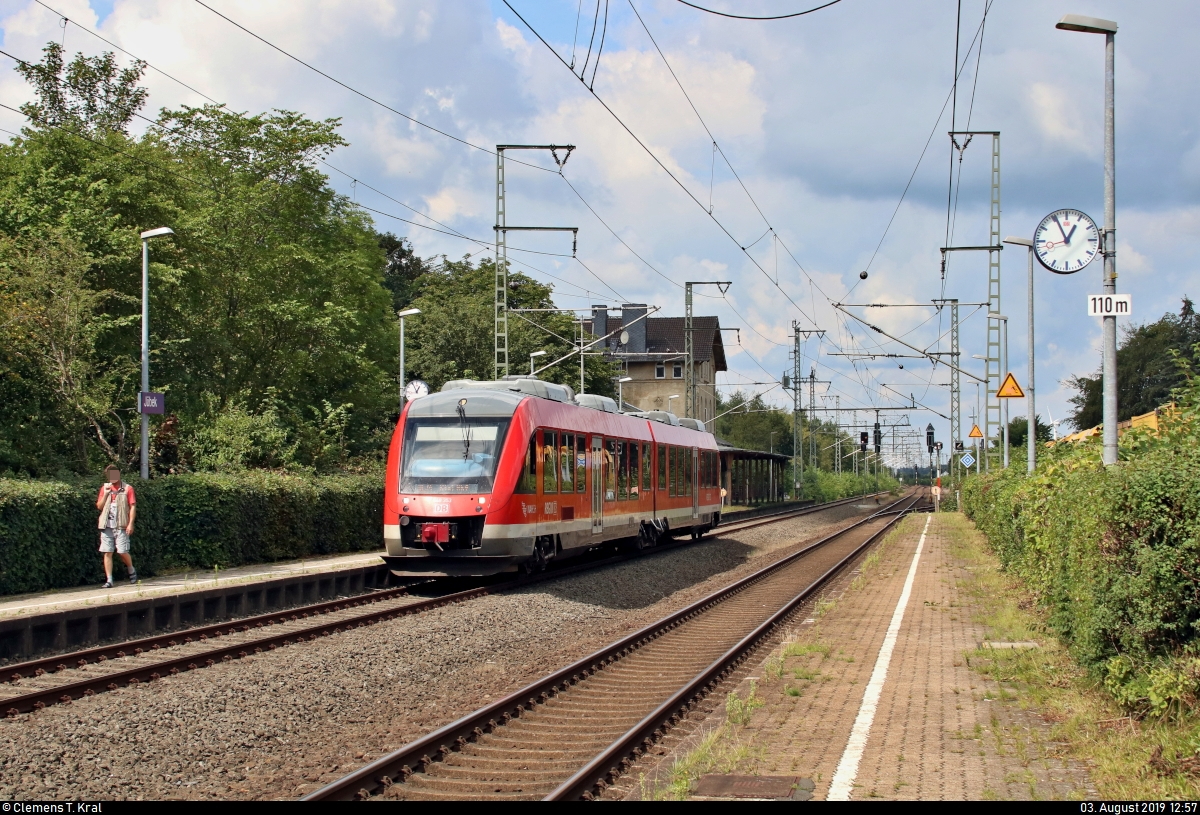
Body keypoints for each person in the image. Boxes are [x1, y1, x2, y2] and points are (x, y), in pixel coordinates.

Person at [96, 464, 138, 588]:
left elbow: (133, 506)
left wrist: (130, 523)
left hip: (121, 525)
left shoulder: (127, 489)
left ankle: (131, 569)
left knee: (122, 551)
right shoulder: (104, 488)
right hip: (107, 525)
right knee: (107, 552)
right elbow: (99, 506)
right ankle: (109, 580)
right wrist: (106, 495)